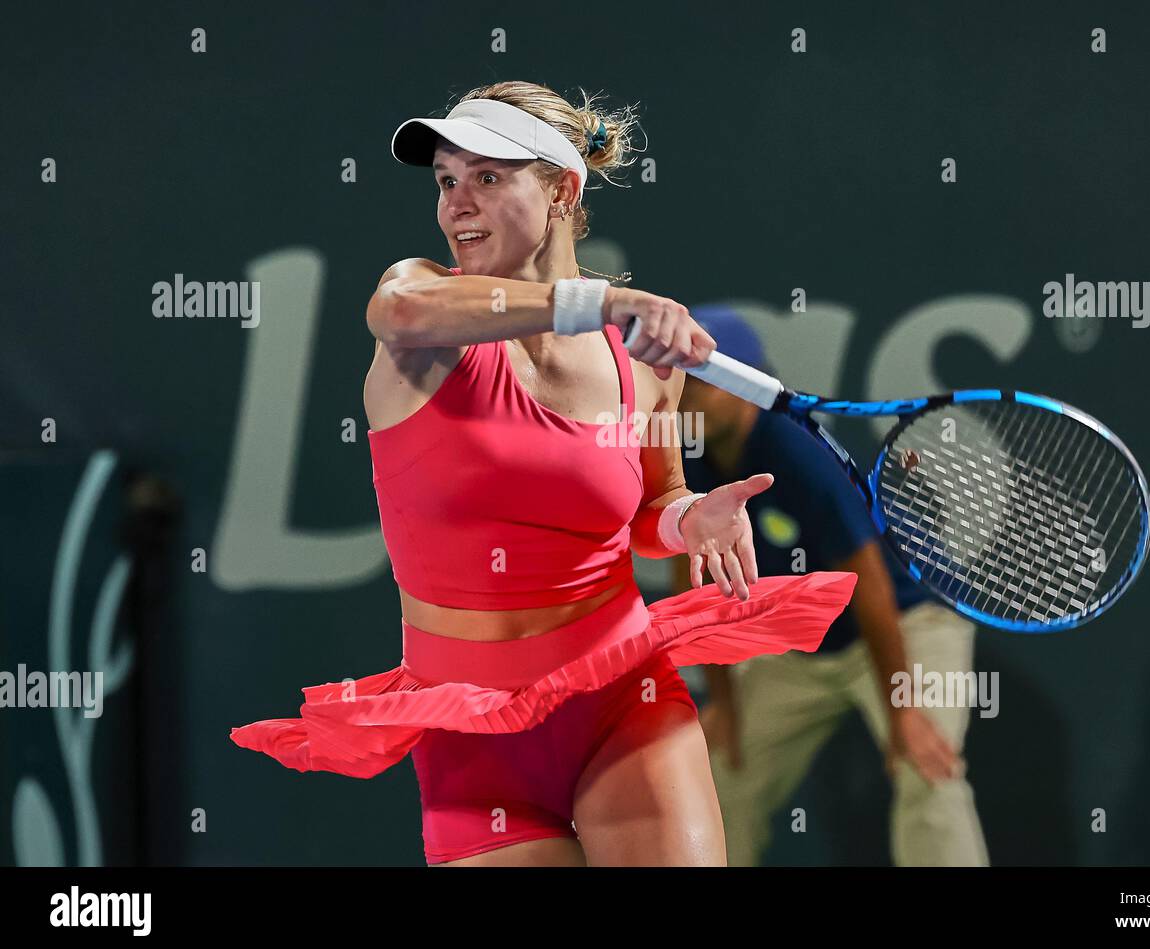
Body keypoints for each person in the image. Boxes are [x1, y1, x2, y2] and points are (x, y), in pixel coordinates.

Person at [228, 81, 857, 866]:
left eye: (488, 178)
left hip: (623, 703)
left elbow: (651, 506)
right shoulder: (419, 298)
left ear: (562, 190)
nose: (458, 203)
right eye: (446, 181)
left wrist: (688, 518)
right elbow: (399, 316)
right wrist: (602, 301)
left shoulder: (640, 363)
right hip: (472, 741)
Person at [671, 307, 990, 866]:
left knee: (928, 768)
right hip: (809, 643)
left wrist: (904, 706)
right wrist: (723, 703)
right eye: (678, 375)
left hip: (905, 627)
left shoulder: (796, 449)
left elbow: (867, 580)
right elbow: (696, 579)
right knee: (722, 775)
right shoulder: (693, 451)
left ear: (743, 383)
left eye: (699, 378)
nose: (683, 392)